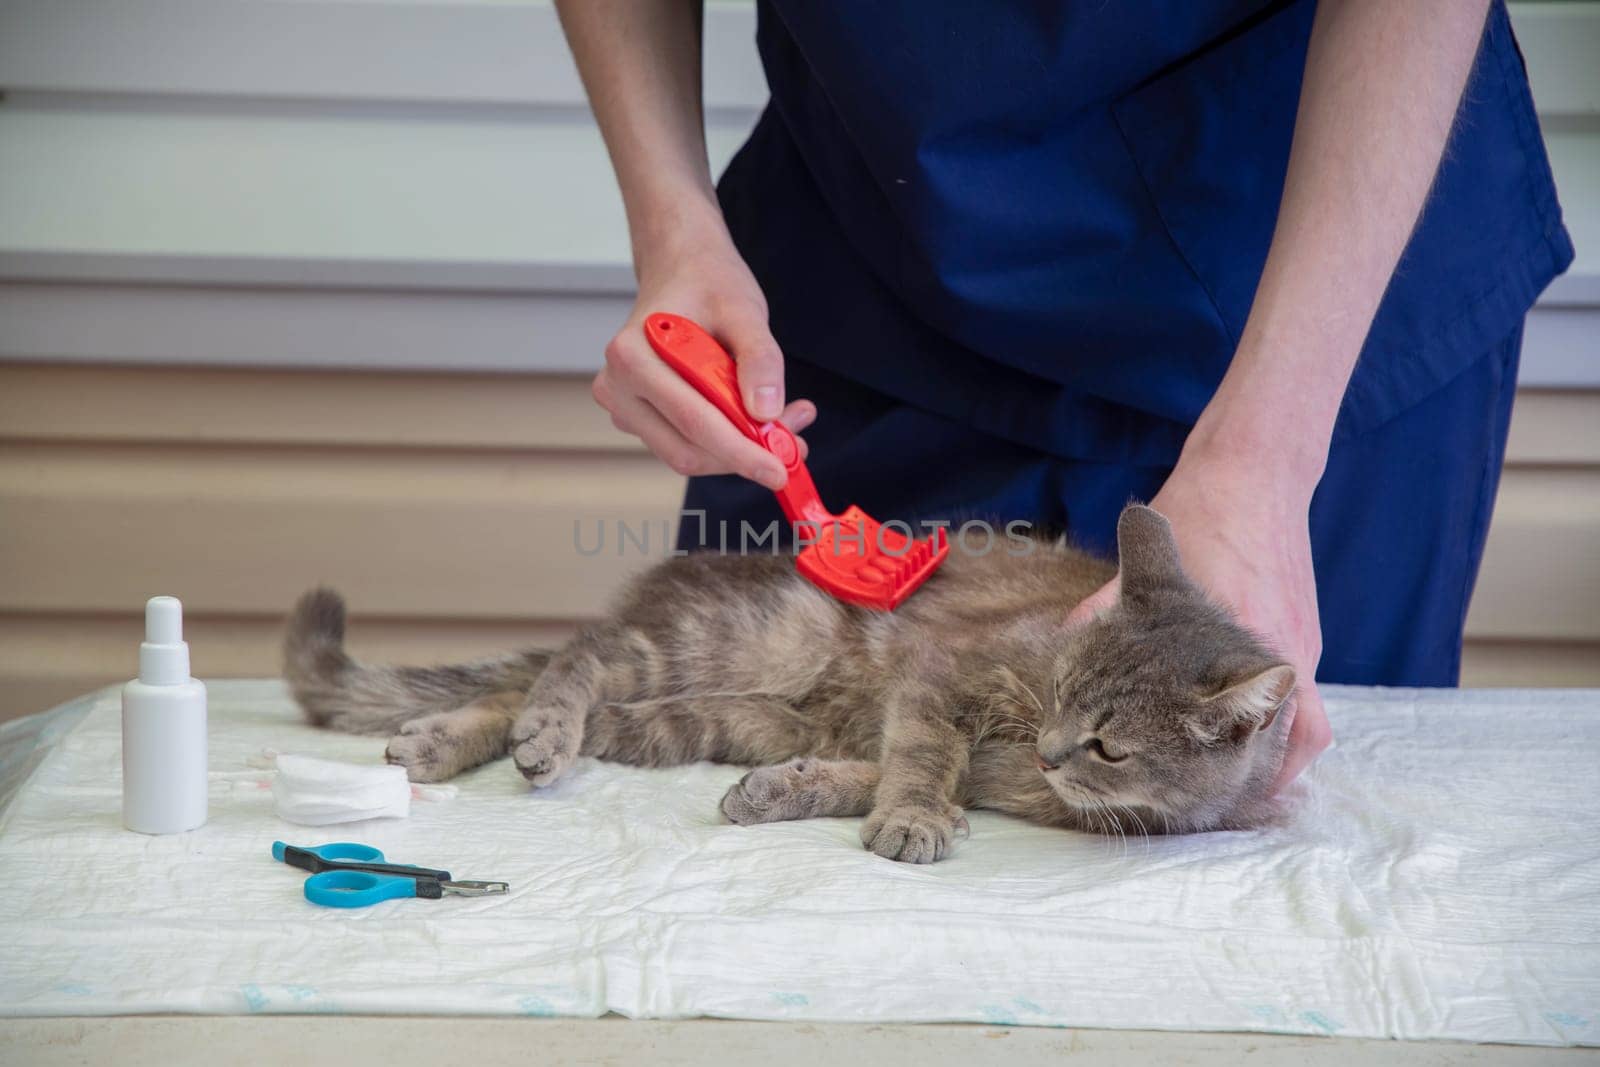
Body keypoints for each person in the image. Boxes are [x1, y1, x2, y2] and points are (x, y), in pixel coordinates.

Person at [554, 0, 1573, 790]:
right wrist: (671, 221)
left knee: (1249, 866)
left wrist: (1264, 461)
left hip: (1307, 282)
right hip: (870, 261)